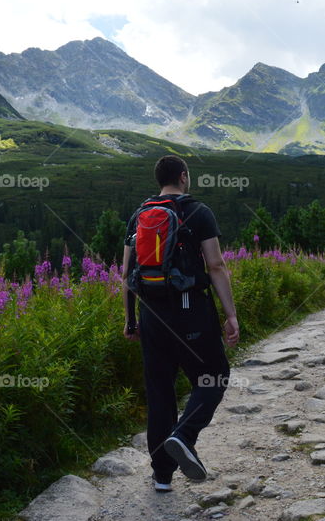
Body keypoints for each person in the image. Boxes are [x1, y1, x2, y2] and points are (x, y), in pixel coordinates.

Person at [122, 155, 240, 493]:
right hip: (191, 311)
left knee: (160, 393)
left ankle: (162, 476)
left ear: (159, 179)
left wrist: (130, 320)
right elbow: (215, 266)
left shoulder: (139, 215)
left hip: (151, 314)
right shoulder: (198, 212)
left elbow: (127, 277)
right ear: (184, 177)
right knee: (214, 375)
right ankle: (184, 435)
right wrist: (230, 314)